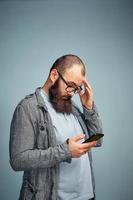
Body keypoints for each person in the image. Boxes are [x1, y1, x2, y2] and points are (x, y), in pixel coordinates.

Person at [9, 54, 103, 200]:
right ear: (54, 75)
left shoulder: (72, 106)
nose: (72, 93)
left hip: (87, 196)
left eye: (77, 89)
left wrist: (88, 107)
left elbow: (97, 140)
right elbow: (18, 160)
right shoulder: (28, 108)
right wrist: (65, 151)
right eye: (70, 86)